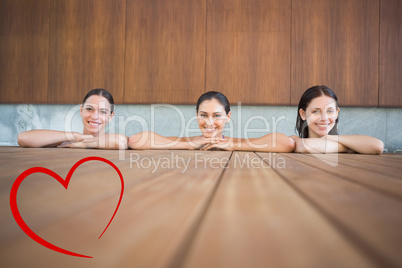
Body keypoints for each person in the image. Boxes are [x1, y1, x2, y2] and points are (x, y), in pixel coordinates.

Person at [129, 91, 295, 152]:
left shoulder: (236, 142)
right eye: (203, 115)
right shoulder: (187, 141)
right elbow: (135, 140)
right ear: (196, 115)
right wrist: (188, 145)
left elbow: (286, 143)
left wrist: (232, 146)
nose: (209, 122)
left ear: (227, 117)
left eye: (216, 116)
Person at [18, 88, 128, 149]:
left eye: (103, 112)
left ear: (110, 116)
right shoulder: (69, 141)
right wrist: (75, 136)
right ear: (81, 110)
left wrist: (83, 143)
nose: (95, 116)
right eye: (89, 109)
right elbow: (23, 138)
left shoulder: (114, 140)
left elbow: (120, 142)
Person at [291, 85, 384, 154]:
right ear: (303, 114)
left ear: (336, 113)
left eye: (330, 111)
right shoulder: (294, 140)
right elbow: (305, 146)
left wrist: (328, 138)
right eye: (316, 111)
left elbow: (378, 146)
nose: (324, 118)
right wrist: (348, 148)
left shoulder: (340, 140)